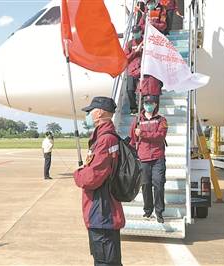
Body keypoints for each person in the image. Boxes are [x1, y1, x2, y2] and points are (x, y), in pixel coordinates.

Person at [74, 97, 125, 266]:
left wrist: (78, 174)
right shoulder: (105, 137)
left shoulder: (105, 140)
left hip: (102, 210)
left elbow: (92, 177)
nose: (87, 115)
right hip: (103, 209)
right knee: (105, 259)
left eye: (90, 111)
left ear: (100, 112)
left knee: (105, 261)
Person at [129, 95, 168, 223]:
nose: (148, 105)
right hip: (143, 157)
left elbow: (160, 136)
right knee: (145, 185)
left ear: (155, 104)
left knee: (158, 184)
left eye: (151, 103)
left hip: (158, 157)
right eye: (146, 103)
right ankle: (148, 211)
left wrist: (143, 134)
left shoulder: (162, 120)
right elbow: (132, 138)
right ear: (143, 104)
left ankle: (159, 212)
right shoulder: (137, 120)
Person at [124, 25, 143, 114]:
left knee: (143, 90)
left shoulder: (146, 41)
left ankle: (143, 108)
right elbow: (126, 58)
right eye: (134, 33)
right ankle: (133, 108)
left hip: (143, 69)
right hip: (131, 70)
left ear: (140, 31)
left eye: (137, 32)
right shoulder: (130, 43)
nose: (135, 34)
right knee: (130, 90)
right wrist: (135, 52)